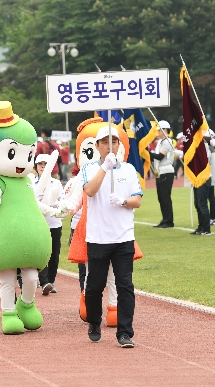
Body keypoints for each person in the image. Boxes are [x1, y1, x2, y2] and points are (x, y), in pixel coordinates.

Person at [82, 127, 142, 348]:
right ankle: (94, 322)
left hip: (123, 237)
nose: (110, 146)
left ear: (119, 145)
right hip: (98, 237)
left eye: (114, 142)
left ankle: (125, 333)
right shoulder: (89, 168)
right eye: (105, 142)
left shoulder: (128, 169)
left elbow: (137, 200)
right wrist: (105, 167)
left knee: (125, 285)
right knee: (95, 286)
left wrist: (124, 201)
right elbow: (89, 190)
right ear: (97, 146)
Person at [32, 154, 65, 295]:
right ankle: (44, 281)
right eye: (40, 164)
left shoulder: (56, 183)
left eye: (45, 164)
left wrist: (57, 204)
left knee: (54, 253)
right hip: (38, 223)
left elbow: (62, 200)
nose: (43, 167)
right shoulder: (31, 182)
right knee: (40, 252)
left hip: (54, 223)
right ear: (36, 166)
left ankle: (50, 281)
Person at [148, 120, 181, 228]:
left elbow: (160, 157)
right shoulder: (161, 142)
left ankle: (169, 221)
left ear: (165, 130)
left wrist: (147, 153)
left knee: (165, 197)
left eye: (159, 130)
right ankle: (165, 219)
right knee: (161, 197)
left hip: (166, 171)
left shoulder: (167, 141)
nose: (157, 132)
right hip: (160, 171)